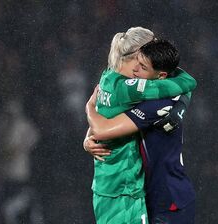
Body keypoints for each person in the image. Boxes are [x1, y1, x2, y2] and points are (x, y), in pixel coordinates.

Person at [84, 27, 196, 224]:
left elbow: (105, 115)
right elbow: (187, 82)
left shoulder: (108, 75)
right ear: (139, 54)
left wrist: (88, 132)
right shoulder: (133, 88)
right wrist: (89, 109)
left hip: (104, 186)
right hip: (126, 190)